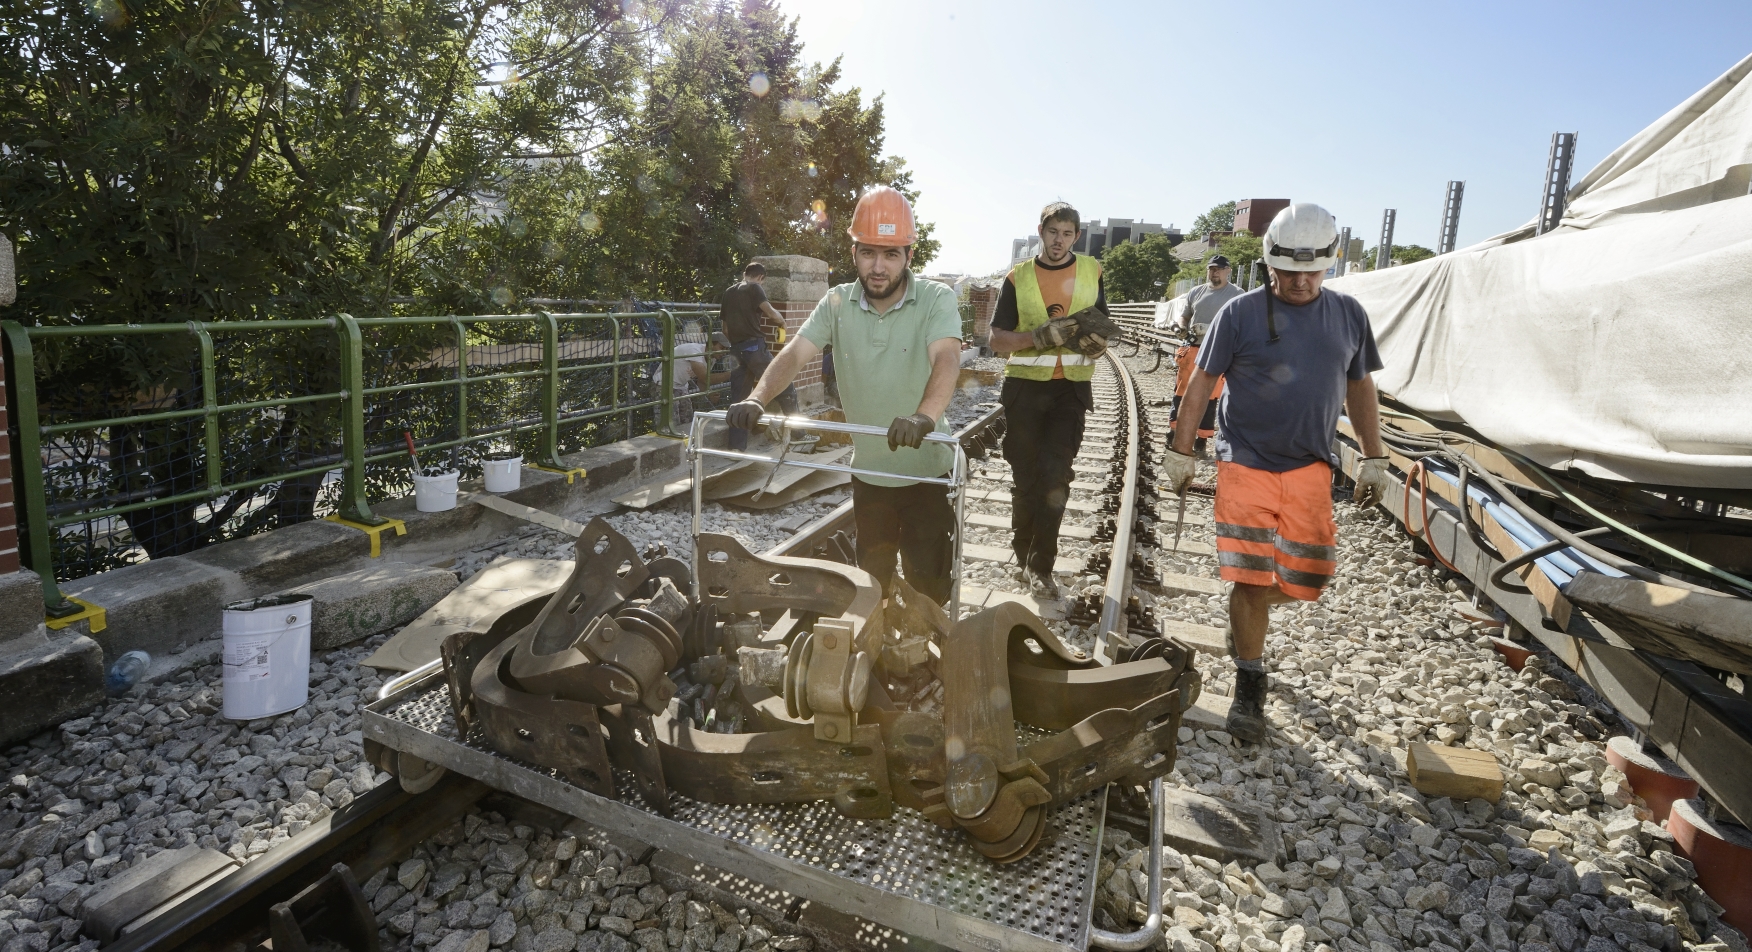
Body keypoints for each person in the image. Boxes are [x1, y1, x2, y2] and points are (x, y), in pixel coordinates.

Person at [1161, 203, 1395, 745]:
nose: (1298, 282)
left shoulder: (1348, 316)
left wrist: (1375, 455)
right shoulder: (1239, 314)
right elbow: (1202, 382)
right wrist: (1181, 450)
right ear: (1269, 264)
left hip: (1312, 464)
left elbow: (1360, 388)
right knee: (1250, 576)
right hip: (1244, 460)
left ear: (1329, 265)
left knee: (1309, 578)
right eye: (1288, 272)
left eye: (1310, 272)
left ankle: (1245, 618)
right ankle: (1249, 679)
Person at [725, 186, 963, 602]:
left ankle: (927, 652)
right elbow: (795, 354)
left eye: (891, 255)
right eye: (869, 252)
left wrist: (923, 417)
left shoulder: (935, 299)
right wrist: (757, 398)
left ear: (909, 255)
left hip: (926, 471)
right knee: (872, 584)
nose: (878, 266)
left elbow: (946, 359)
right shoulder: (836, 303)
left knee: (930, 586)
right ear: (853, 252)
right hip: (870, 474)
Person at [986, 202, 1120, 599]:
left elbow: (1102, 325)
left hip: (1069, 392)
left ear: (1076, 236)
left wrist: (1098, 344)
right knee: (1026, 480)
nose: (1058, 240)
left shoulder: (1092, 271)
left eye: (1067, 233)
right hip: (1025, 390)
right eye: (1052, 232)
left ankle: (1040, 565)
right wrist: (1037, 338)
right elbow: (997, 340)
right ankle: (1021, 555)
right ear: (1041, 232)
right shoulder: (1018, 277)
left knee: (1055, 478)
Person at [719, 262, 799, 450]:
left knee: (739, 400)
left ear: (744, 273)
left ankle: (736, 448)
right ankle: (799, 435)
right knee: (784, 385)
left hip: (736, 351)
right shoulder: (755, 288)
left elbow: (725, 329)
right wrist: (782, 323)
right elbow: (771, 313)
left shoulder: (728, 292)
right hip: (755, 349)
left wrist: (738, 345)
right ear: (761, 278)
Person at [1171, 254, 1242, 454]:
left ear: (1228, 271)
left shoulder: (1237, 294)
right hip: (1192, 348)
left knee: (1209, 397)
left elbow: (1240, 323)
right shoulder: (1196, 292)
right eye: (1211, 269)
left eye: (1219, 269)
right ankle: (1174, 434)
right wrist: (1182, 327)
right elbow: (1185, 316)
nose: (1214, 272)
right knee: (1181, 392)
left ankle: (1201, 439)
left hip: (1218, 352)